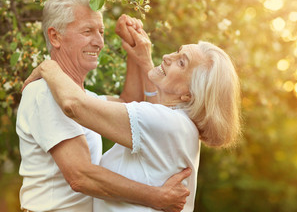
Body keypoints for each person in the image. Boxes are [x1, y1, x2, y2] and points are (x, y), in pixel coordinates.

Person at [23, 21, 242, 211]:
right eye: (177, 51)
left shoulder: (169, 124)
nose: (167, 56)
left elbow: (73, 104)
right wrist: (142, 58)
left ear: (189, 93)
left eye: (181, 62)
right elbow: (133, 106)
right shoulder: (175, 123)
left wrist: (48, 67)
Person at [16, 0, 191, 212]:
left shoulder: (84, 98)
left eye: (101, 31)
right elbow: (80, 175)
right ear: (55, 36)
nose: (99, 41)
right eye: (88, 31)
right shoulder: (46, 92)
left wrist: (133, 51)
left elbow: (131, 103)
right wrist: (155, 197)